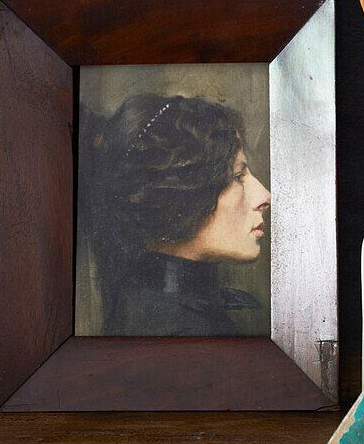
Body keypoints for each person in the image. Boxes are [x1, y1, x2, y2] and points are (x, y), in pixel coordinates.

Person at [79, 93, 271, 336]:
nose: (265, 196)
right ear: (181, 196)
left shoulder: (170, 313)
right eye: (237, 176)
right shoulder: (176, 330)